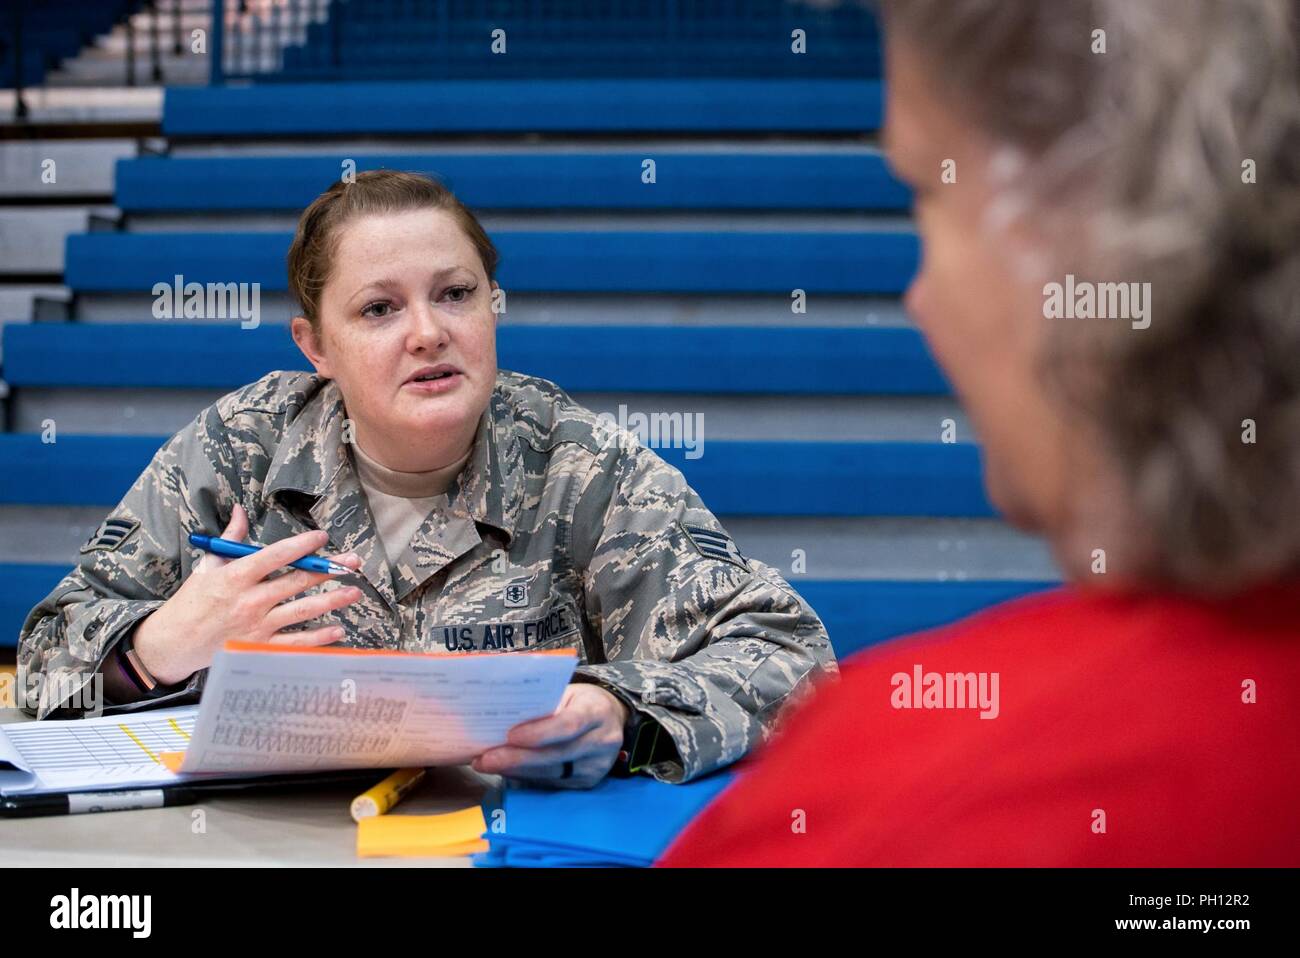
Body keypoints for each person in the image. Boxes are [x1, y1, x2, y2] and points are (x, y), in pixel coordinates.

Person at [660, 0, 1300, 863]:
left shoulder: (911, 804)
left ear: (1097, 230)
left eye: (927, 188)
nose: (918, 297)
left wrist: (616, 709)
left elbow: (772, 645)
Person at [16, 170, 837, 788]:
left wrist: (621, 712)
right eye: (379, 309)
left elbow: (791, 656)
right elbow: (48, 649)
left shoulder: (579, 465)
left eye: (456, 294)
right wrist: (156, 649)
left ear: (492, 306)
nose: (428, 333)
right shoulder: (243, 448)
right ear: (316, 347)